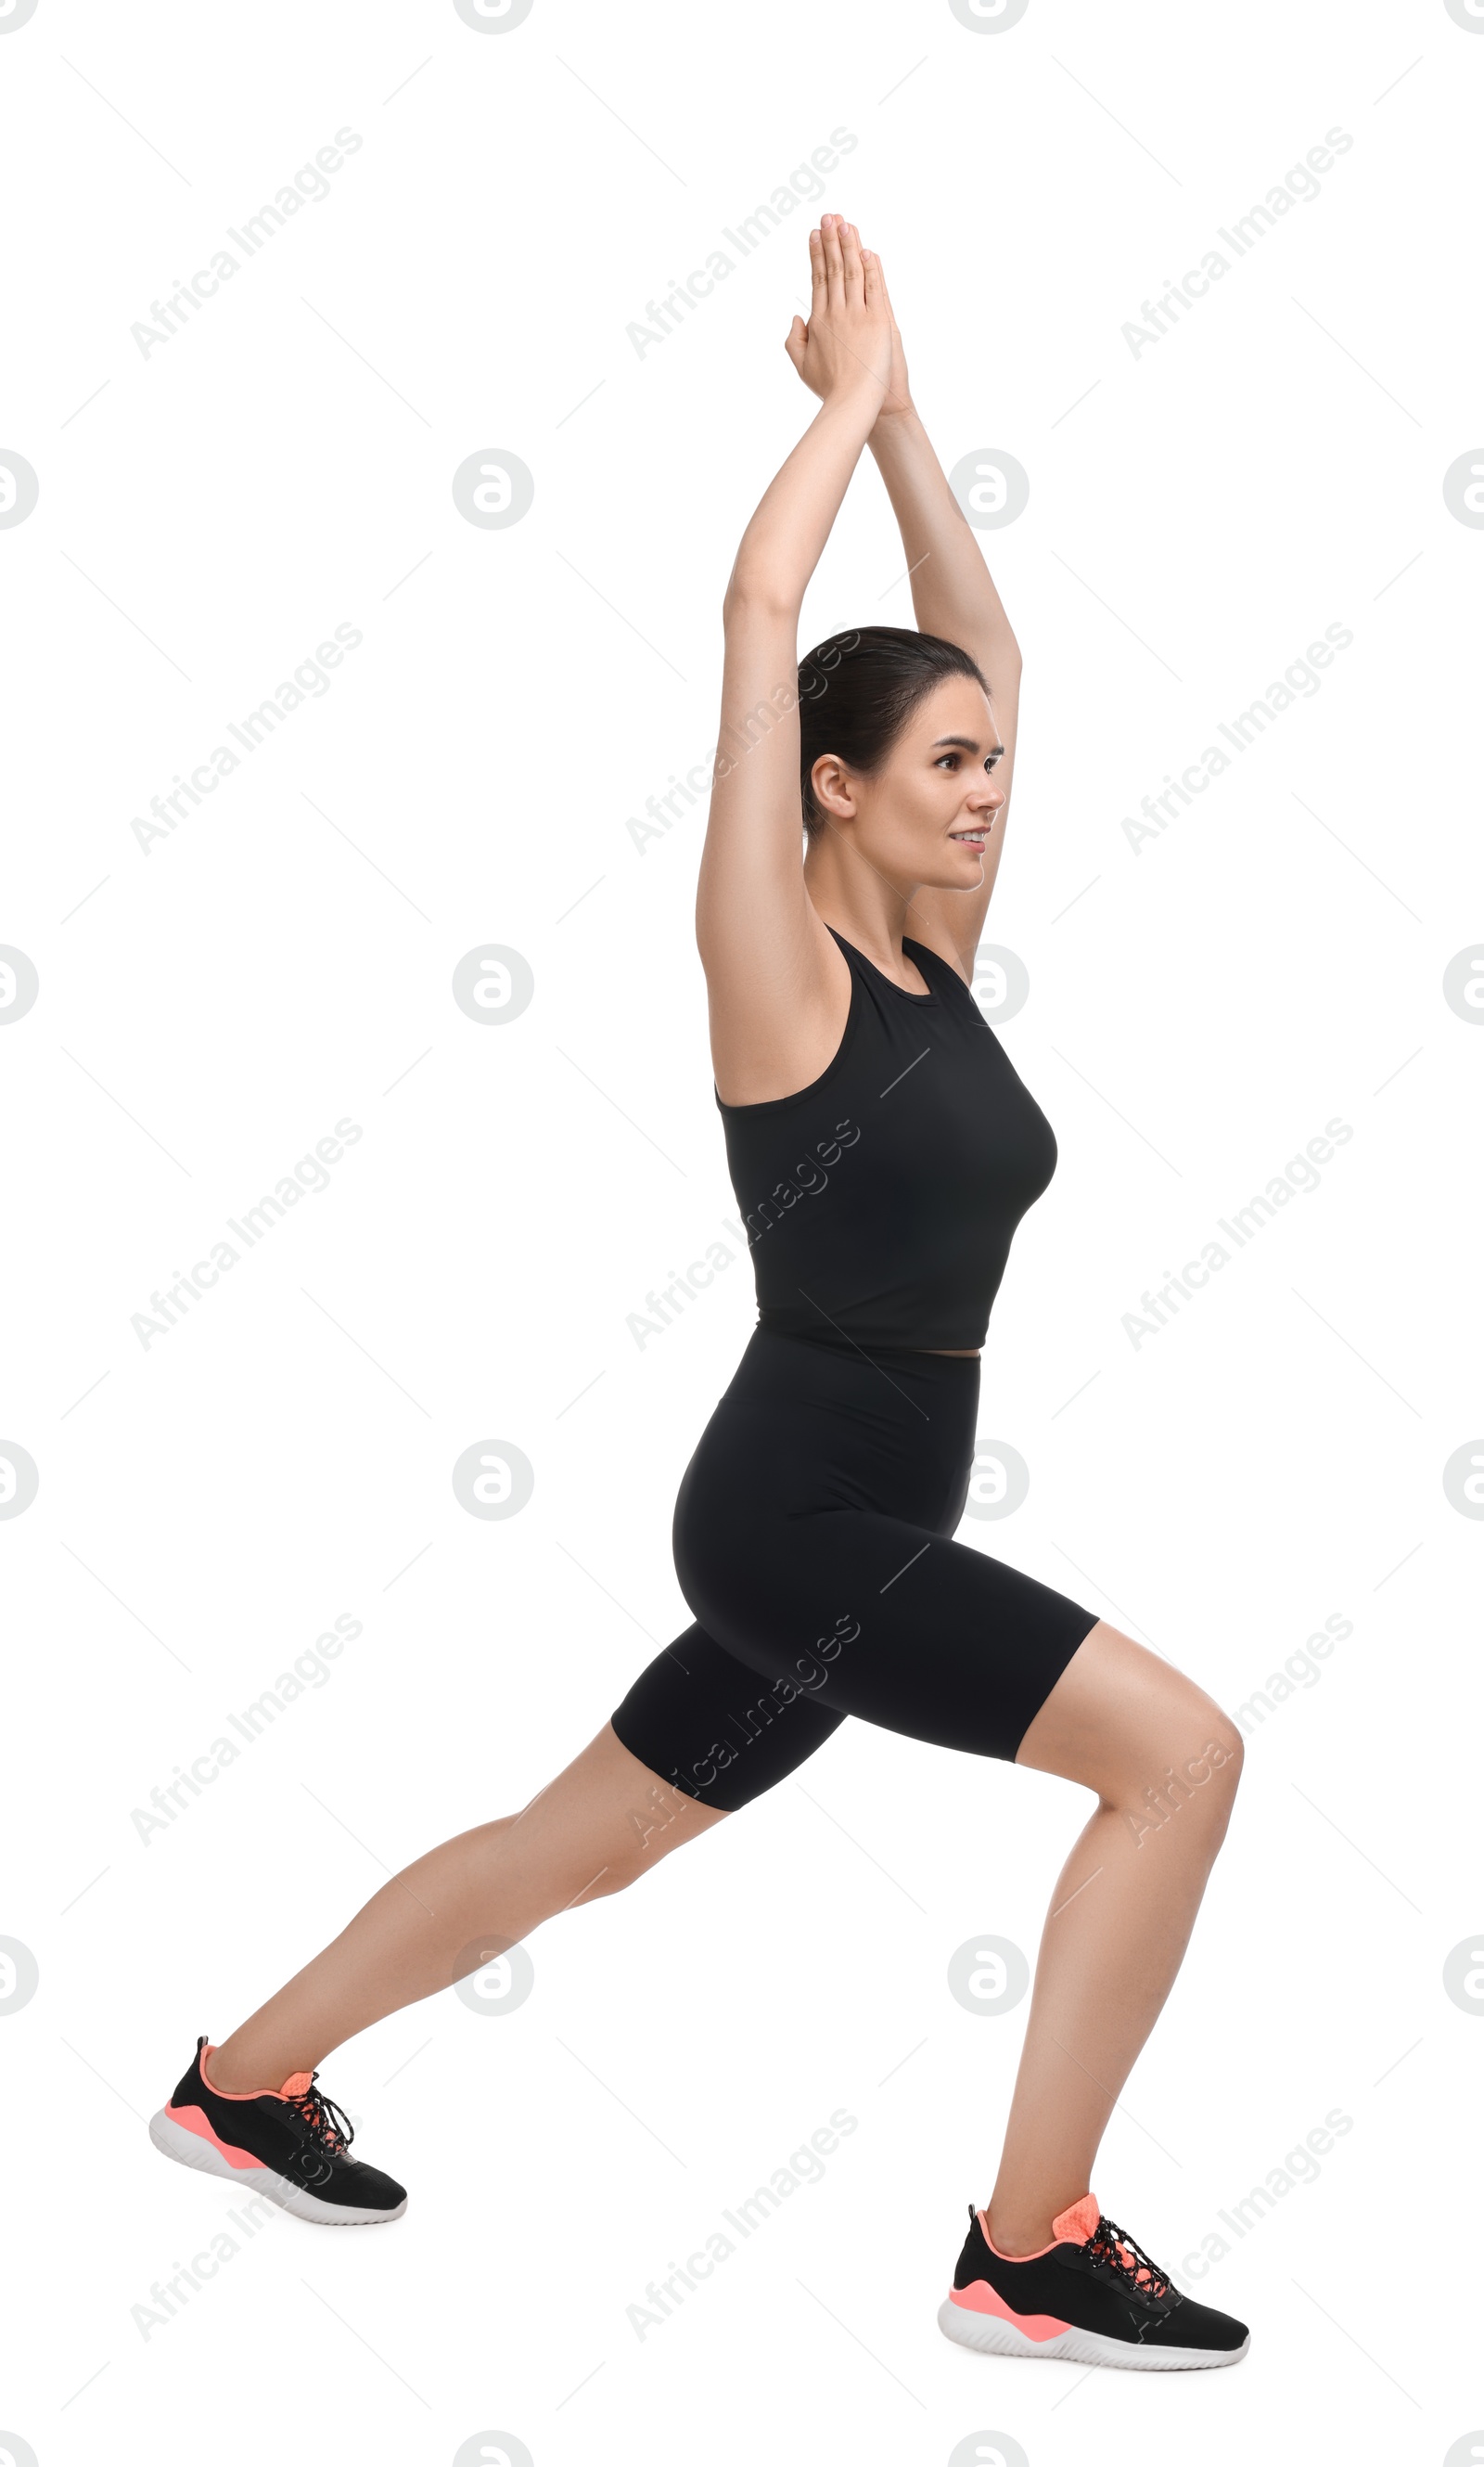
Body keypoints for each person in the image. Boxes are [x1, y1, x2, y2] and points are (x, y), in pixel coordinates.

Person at [150, 214, 1248, 2371]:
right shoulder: (781, 970)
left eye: (989, 771)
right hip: (798, 1520)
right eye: (942, 769)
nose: (985, 791)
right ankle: (1029, 2237)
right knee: (1180, 1758)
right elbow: (761, 621)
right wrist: (830, 417)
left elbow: (991, 652)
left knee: (585, 1848)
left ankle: (240, 2081)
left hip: (849, 1518)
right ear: (829, 790)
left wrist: (914, 421)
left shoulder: (935, 944)